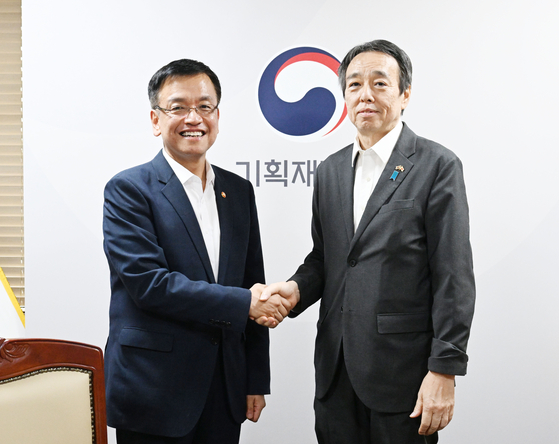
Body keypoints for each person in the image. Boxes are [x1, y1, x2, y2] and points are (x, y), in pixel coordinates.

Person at [260, 40, 475, 443]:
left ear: (404, 94)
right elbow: (326, 259)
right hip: (335, 372)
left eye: (380, 83)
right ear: (344, 95)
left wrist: (444, 369)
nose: (366, 95)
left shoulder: (436, 165)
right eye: (355, 84)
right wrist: (293, 291)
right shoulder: (329, 170)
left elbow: (453, 275)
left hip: (403, 377)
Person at [102, 59, 290, 444]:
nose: (194, 118)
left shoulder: (238, 192)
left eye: (205, 107)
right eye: (178, 107)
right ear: (156, 119)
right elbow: (150, 285)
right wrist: (244, 303)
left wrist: (255, 378)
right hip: (153, 390)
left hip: (224, 388)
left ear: (217, 116)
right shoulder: (128, 190)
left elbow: (250, 281)